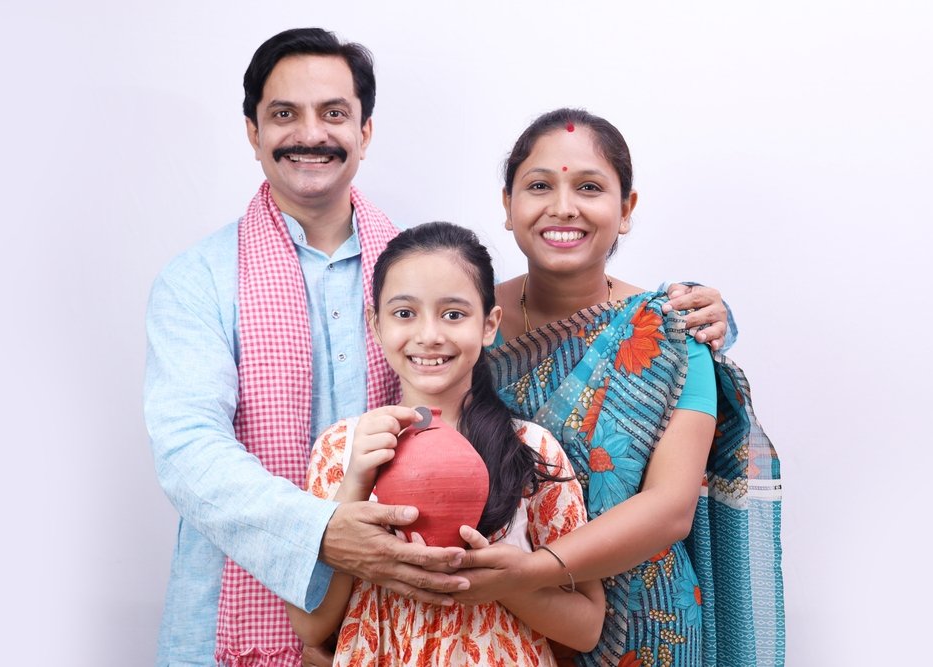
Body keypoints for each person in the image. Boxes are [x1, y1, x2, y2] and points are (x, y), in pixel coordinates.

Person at [144, 27, 735, 667]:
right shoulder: (202, 281)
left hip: (608, 624)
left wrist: (699, 321)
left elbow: (631, 365)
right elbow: (188, 453)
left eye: (334, 113)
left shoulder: (428, 275)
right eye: (284, 113)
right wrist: (328, 530)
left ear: (364, 132)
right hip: (284, 616)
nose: (429, 332)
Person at [454, 109, 785, 666]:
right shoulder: (460, 322)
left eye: (589, 187)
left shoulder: (672, 333)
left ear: (626, 210)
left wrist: (534, 570)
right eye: (539, 186)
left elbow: (670, 507)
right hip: (496, 629)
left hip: (646, 626)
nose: (563, 207)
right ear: (507, 205)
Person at [286, 222, 606, 665]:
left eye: (453, 314)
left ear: (489, 324)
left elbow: (587, 628)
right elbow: (310, 625)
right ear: (375, 325)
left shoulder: (532, 448)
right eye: (404, 314)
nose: (429, 335)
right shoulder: (342, 449)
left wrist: (504, 583)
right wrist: (356, 484)